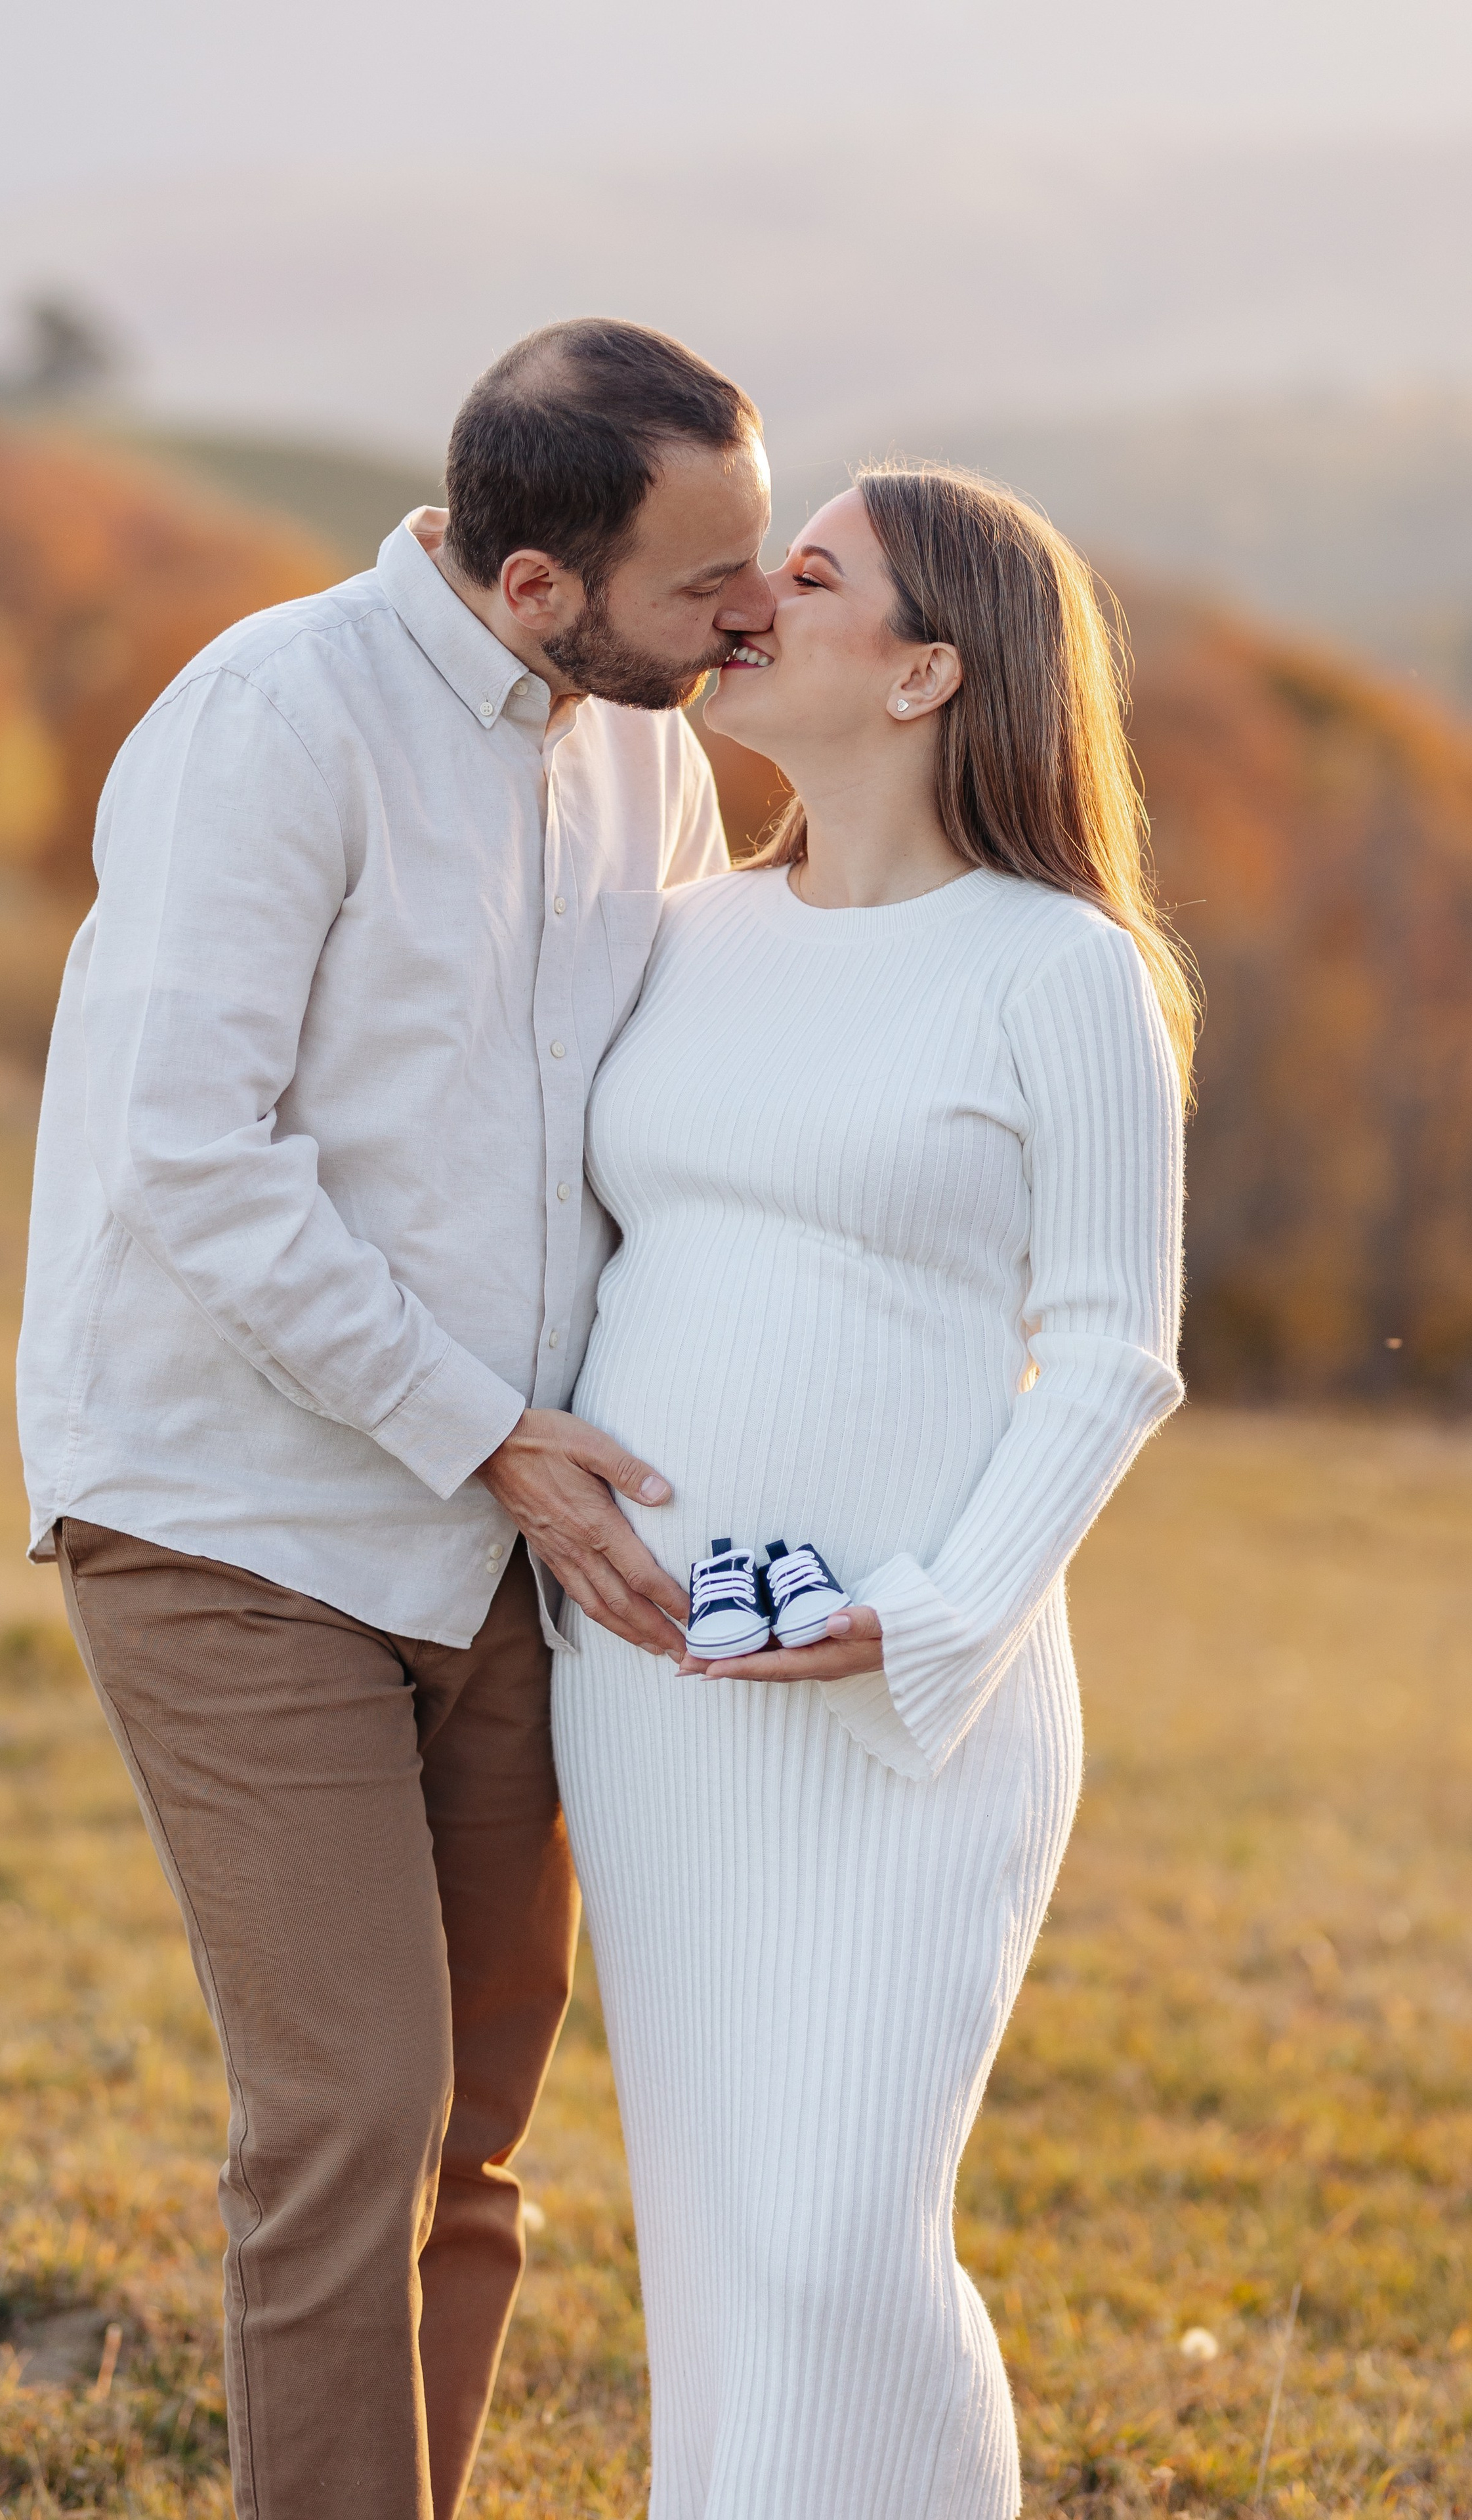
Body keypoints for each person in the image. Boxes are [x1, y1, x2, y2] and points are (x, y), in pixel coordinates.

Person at [16, 318, 773, 2520]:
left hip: (509, 1547)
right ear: (535, 584)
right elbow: (194, 1151)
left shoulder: (647, 750)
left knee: (474, 2125)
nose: (753, 611)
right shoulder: (275, 718)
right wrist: (479, 1426)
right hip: (236, 1512)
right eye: (706, 579)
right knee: (352, 2109)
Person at [553, 464, 1195, 2519]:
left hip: (918, 1707)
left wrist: (933, 1618)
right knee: (728, 2245)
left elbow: (1114, 1349)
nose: (751, 597)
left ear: (927, 672)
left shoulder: (1058, 968)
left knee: (841, 2246)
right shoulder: (678, 937)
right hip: (655, 1688)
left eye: (812, 573)